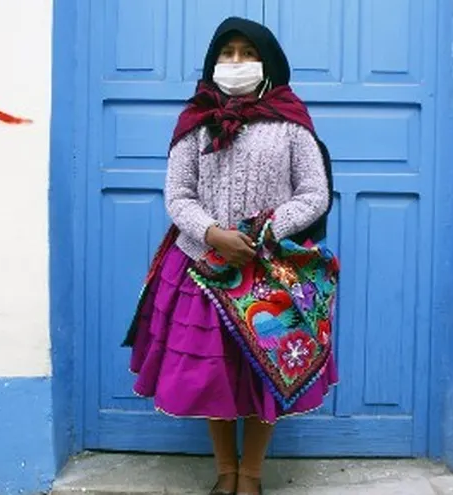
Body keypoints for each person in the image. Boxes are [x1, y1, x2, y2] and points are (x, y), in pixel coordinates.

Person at [122, 17, 339, 495]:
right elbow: (179, 195)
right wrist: (214, 235)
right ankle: (225, 471)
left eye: (248, 53)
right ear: (213, 61)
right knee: (212, 372)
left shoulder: (291, 124)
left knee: (264, 371)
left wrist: (262, 233)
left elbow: (314, 194)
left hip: (268, 273)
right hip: (202, 269)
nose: (236, 62)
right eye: (228, 53)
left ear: (268, 62)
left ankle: (251, 476)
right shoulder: (195, 124)